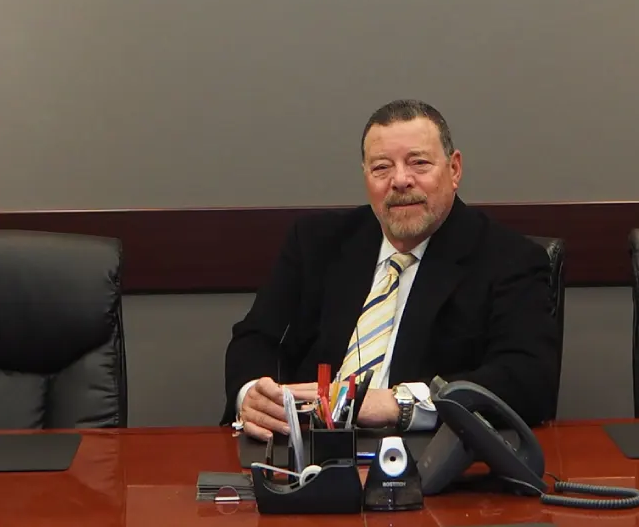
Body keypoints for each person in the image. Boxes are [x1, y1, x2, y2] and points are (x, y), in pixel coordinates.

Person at [222, 99, 559, 440]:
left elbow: (528, 378)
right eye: (382, 168)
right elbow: (255, 337)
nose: (400, 180)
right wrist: (251, 395)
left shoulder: (509, 258)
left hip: (426, 460)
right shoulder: (315, 243)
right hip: (307, 452)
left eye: (419, 163)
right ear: (366, 175)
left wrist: (399, 404)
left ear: (454, 170)